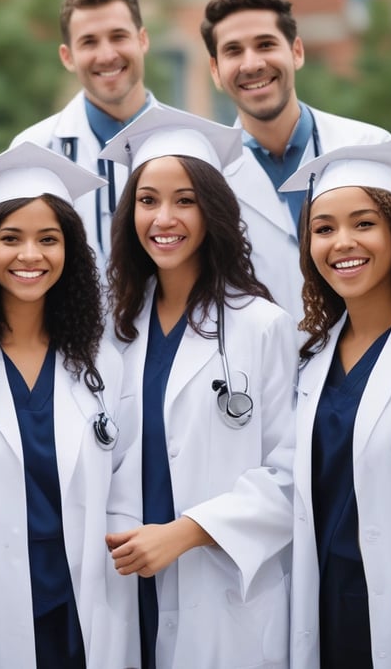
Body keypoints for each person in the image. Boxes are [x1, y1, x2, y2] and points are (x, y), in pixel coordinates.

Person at [102, 105, 296, 669]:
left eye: (185, 200)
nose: (164, 217)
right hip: (124, 581)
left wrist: (188, 532)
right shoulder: (113, 331)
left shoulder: (261, 326)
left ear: (212, 211)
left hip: (223, 585)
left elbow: (290, 476)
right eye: (147, 201)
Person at [0, 142, 141, 669]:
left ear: (70, 253)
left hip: (86, 594)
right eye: (11, 238)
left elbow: (125, 480)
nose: (30, 255)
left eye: (48, 240)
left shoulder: (105, 363)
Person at [279, 143, 391, 669]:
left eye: (364, 223)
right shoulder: (310, 356)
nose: (343, 243)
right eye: (324, 228)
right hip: (326, 603)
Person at [201, 0, 391, 325]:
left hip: (372, 363)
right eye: (233, 51)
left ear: (296, 52)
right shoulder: (203, 178)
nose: (252, 64)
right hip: (260, 373)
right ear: (216, 71)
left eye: (265, 44)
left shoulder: (370, 147)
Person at [11, 0, 160, 272]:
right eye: (89, 42)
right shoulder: (32, 150)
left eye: (118, 37)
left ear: (142, 40)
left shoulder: (190, 144)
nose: (106, 55)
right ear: (67, 57)